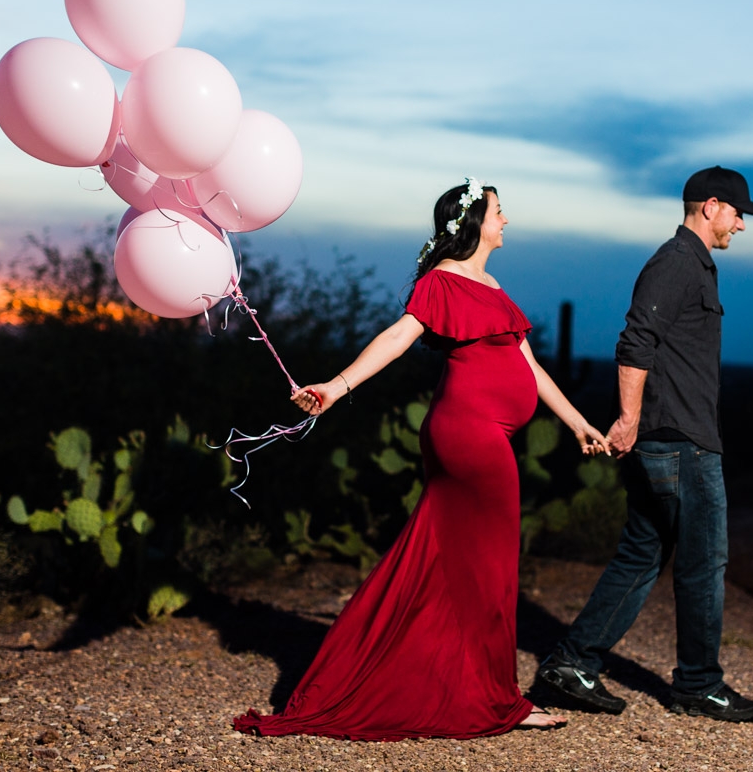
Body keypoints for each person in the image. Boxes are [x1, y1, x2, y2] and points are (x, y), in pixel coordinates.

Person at [233, 178, 609, 740]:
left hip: (486, 434)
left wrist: (577, 421)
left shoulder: (493, 285)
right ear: (475, 223)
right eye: (500, 212)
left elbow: (529, 367)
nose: (507, 220)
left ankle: (467, 683)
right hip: (469, 434)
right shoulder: (442, 282)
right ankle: (497, 698)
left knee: (460, 563)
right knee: (490, 567)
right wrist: (336, 386)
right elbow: (397, 336)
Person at [534, 166, 753, 723]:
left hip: (670, 438)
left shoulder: (695, 265)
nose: (742, 223)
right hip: (678, 441)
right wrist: (628, 420)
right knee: (704, 561)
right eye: (738, 212)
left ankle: (572, 664)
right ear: (710, 206)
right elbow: (635, 340)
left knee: (642, 555)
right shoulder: (677, 262)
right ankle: (698, 684)